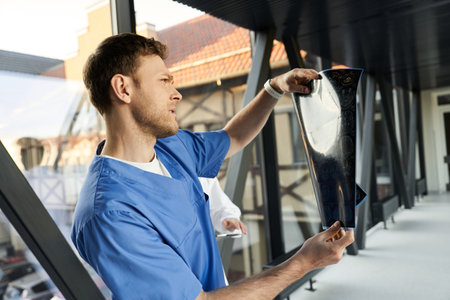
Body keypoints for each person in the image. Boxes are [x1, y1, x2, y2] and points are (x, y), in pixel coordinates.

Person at [71, 33, 354, 300]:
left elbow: (233, 137)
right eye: (164, 81)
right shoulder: (108, 214)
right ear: (123, 89)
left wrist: (274, 88)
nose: (176, 93)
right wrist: (305, 261)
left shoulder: (169, 146)